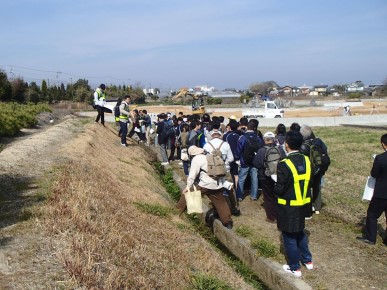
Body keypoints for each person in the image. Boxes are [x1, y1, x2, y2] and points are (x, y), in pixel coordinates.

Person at [274, 130, 313, 278]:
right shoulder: (307, 160)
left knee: (289, 235)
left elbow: (280, 187)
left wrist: (275, 190)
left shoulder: (284, 164)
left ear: (287, 145)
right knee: (300, 231)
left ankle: (294, 267)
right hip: (303, 203)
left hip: (288, 205)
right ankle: (308, 260)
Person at [177, 146, 233, 229]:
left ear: (192, 154)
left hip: (205, 185)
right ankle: (228, 223)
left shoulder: (197, 158)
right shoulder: (210, 156)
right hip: (217, 184)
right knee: (221, 203)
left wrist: (188, 187)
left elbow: (192, 174)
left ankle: (176, 211)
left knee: (187, 194)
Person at [357, 133, 387, 245]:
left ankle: (371, 238)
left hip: (381, 193)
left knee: (372, 215)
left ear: (383, 145)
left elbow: (374, 174)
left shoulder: (380, 158)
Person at [203, 124, 240, 216]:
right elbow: (231, 159)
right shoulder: (225, 144)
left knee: (215, 191)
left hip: (212, 171)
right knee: (230, 189)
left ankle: (217, 208)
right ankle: (234, 207)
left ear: (211, 136)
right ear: (220, 136)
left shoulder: (207, 145)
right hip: (225, 170)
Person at [253, 131, 285, 223]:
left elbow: (256, 163)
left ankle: (271, 217)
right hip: (278, 175)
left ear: (265, 140)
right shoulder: (280, 149)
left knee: (268, 196)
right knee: (278, 195)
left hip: (265, 176)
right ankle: (280, 214)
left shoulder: (261, 150)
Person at [300, 124, 329, 216]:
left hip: (308, 170)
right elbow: (325, 151)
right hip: (318, 168)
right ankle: (317, 208)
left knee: (307, 188)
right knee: (317, 187)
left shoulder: (303, 144)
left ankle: (307, 207)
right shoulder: (319, 141)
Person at [235, 120, 263, 201]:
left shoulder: (243, 137)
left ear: (247, 127)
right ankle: (254, 196)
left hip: (244, 161)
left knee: (241, 179)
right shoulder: (257, 137)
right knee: (255, 179)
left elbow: (239, 149)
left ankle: (239, 196)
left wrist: (237, 158)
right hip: (254, 161)